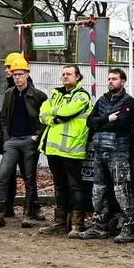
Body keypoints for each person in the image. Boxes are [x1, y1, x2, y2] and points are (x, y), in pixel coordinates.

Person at [0, 54, 48, 230]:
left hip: (30, 141)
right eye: (15, 75)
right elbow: (2, 117)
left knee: (29, 178)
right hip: (12, 141)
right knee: (3, 175)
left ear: (27, 74)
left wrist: (37, 136)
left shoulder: (38, 96)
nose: (17, 78)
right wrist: (6, 138)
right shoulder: (9, 94)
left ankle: (28, 215)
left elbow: (46, 119)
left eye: (20, 74)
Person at [80, 68, 134, 243]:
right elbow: (90, 121)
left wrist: (101, 123)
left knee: (122, 190)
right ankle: (98, 225)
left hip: (117, 152)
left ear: (123, 81)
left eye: (114, 79)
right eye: (109, 78)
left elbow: (122, 123)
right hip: (99, 152)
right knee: (98, 190)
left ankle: (129, 226)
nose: (111, 81)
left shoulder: (128, 101)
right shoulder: (103, 100)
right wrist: (106, 119)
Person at [37, 65, 92, 237]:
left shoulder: (82, 96)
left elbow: (67, 112)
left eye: (69, 74)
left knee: (76, 186)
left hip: (72, 149)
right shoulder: (56, 94)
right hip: (53, 149)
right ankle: (60, 221)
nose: (65, 77)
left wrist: (52, 114)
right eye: (63, 74)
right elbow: (42, 113)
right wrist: (55, 116)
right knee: (60, 186)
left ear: (78, 77)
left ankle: (77, 224)